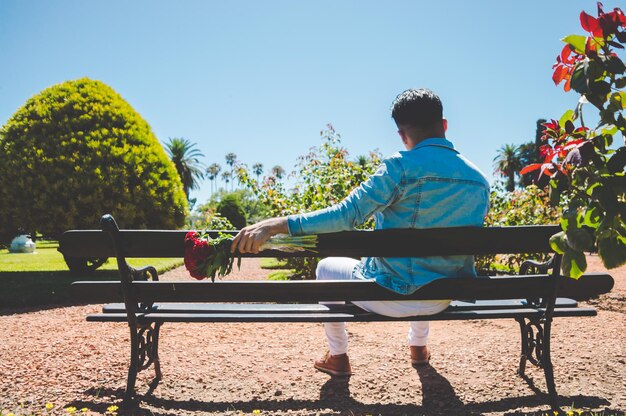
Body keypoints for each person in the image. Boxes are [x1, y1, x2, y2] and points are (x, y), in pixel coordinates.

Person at [231, 88, 490, 377]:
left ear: (402, 135)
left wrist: (277, 224)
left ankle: (338, 356)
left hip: (389, 297)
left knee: (326, 267)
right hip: (442, 298)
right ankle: (418, 346)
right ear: (444, 125)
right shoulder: (478, 180)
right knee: (428, 267)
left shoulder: (399, 168)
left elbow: (346, 214)